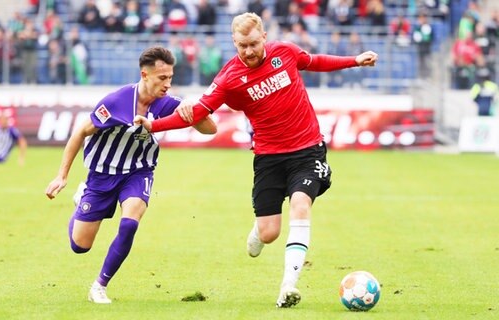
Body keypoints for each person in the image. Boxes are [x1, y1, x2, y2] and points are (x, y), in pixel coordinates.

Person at [134, 12, 377, 308]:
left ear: (263, 37)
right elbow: (198, 112)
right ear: (234, 43)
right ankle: (259, 232)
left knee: (301, 204)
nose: (248, 51)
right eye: (241, 46)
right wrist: (153, 125)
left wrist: (354, 60)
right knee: (269, 232)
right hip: (268, 158)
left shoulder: (285, 52)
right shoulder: (229, 77)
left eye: (252, 44)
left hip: (307, 149)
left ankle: (288, 285)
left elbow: (314, 62)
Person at [44, 46, 217, 304]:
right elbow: (80, 132)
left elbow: (210, 129)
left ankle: (99, 286)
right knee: (80, 245)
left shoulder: (168, 103)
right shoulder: (116, 102)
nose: (168, 84)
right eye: (162, 78)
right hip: (102, 175)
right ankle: (82, 200)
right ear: (145, 75)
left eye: (170, 77)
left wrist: (192, 110)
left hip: (138, 171)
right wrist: (62, 176)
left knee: (129, 224)